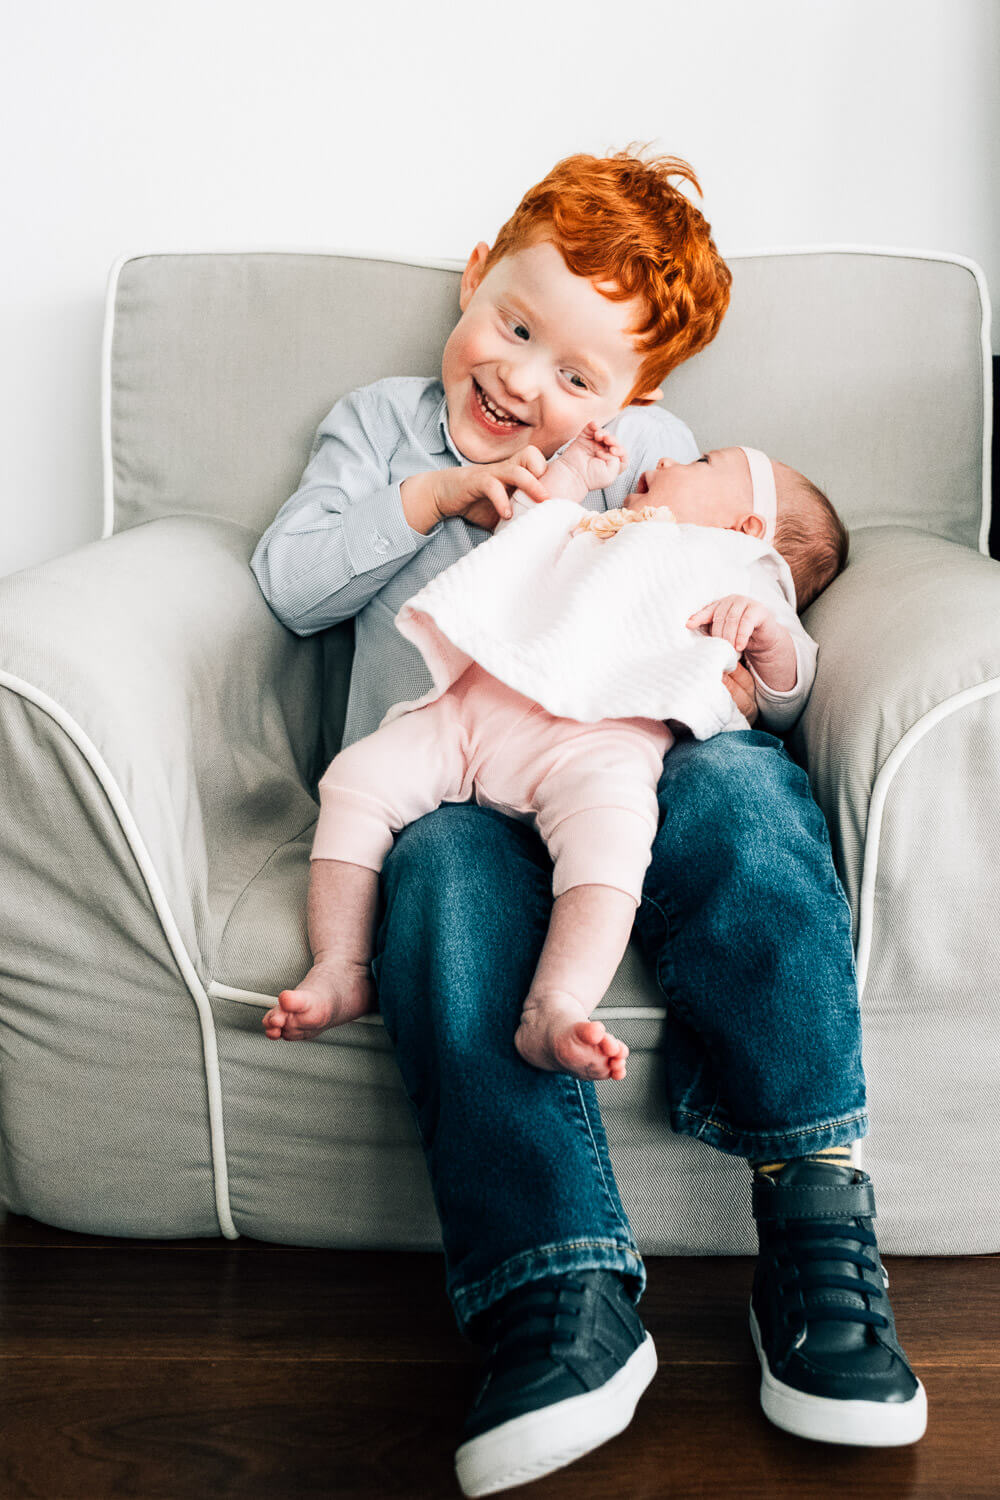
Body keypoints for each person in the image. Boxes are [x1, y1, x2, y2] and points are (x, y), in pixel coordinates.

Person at [250, 149, 926, 1498]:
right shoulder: (382, 425)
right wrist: (433, 498)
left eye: (577, 377)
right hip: (442, 779)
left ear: (637, 401)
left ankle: (813, 1208)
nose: (521, 386)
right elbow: (288, 583)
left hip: (623, 756)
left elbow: (750, 658)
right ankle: (556, 1296)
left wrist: (757, 644)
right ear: (474, 281)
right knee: (441, 894)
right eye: (511, 326)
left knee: (742, 789)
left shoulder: (653, 463)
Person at [262, 431, 843, 1092]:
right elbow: (533, 526)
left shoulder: (741, 568)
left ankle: (556, 1004)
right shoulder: (607, 528)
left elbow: (790, 689)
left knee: (612, 843)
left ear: (749, 526)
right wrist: (573, 469)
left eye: (703, 464)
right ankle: (340, 962)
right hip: (475, 707)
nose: (672, 460)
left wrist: (764, 635)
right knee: (356, 783)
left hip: (602, 738)